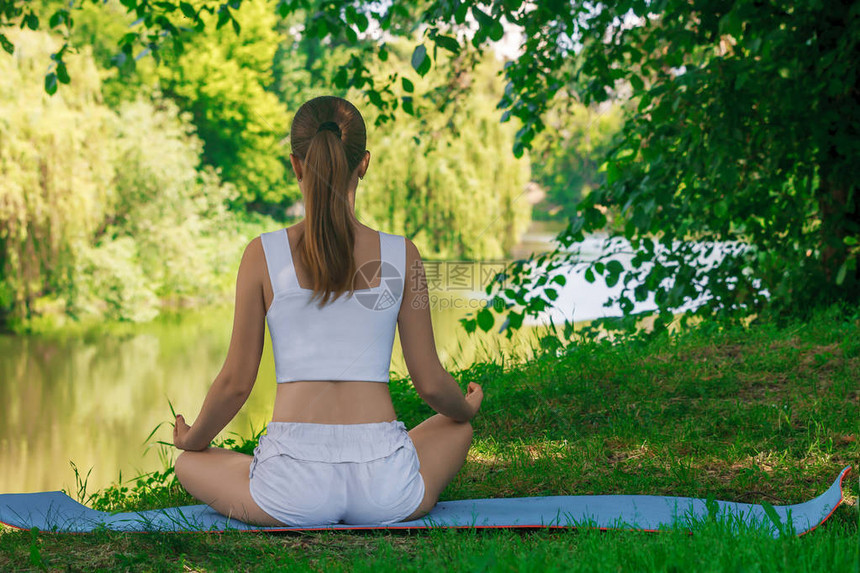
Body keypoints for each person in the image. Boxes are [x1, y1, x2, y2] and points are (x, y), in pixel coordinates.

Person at [172, 95, 484, 526]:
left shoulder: (262, 254)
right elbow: (430, 382)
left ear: (296, 166)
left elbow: (235, 384)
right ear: (364, 163)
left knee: (189, 464)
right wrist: (466, 409)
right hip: (386, 489)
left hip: (291, 492)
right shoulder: (403, 254)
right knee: (456, 428)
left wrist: (192, 439)